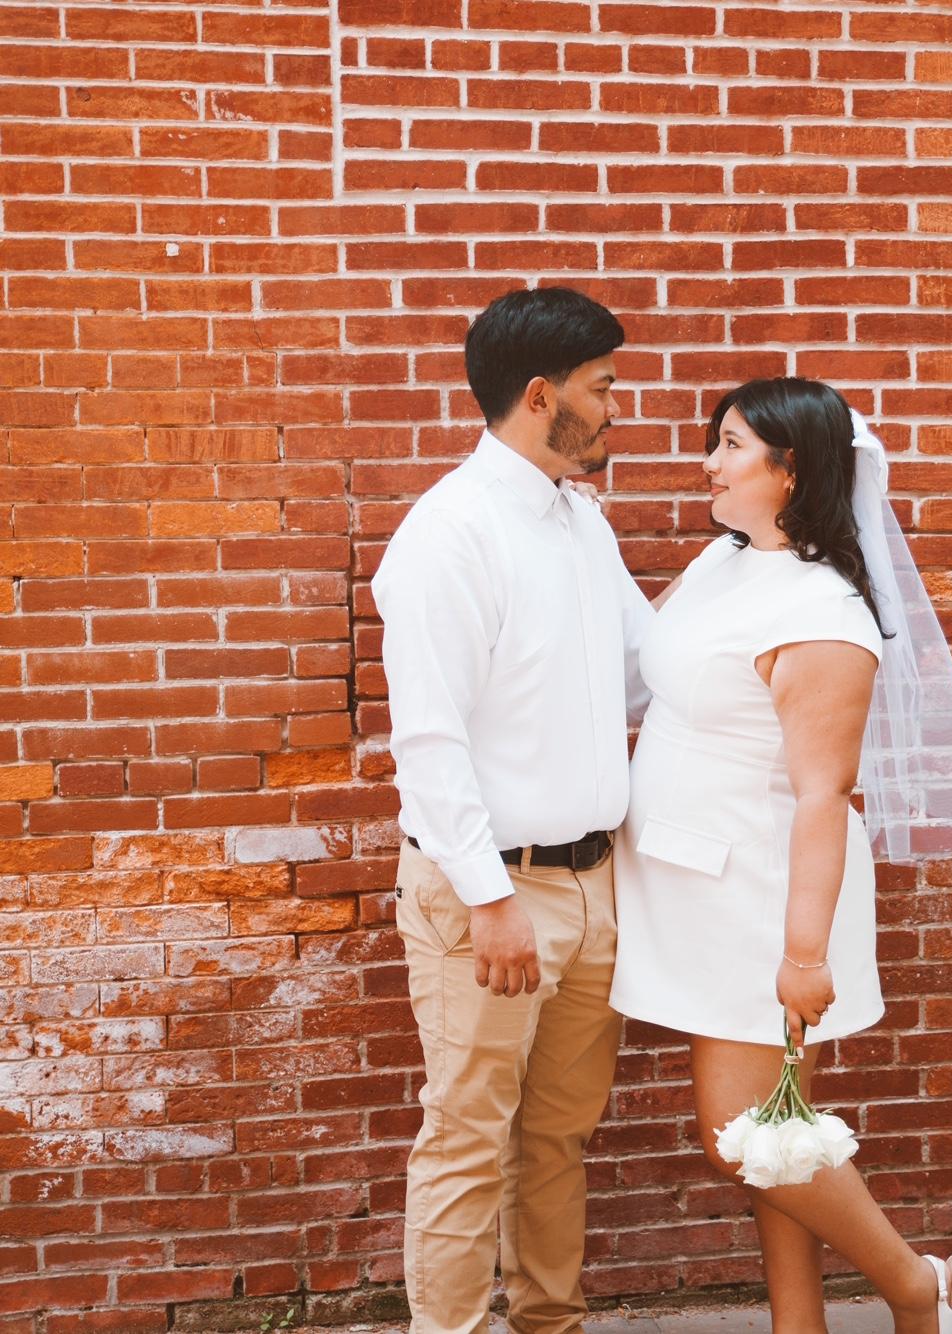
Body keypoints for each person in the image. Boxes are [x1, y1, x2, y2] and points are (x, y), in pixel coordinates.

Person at [610, 377, 952, 1334]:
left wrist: (803, 955)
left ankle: (918, 1286)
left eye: (731, 445)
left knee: (738, 1137)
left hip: (763, 902)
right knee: (774, 1135)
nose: (709, 462)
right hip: (689, 889)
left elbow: (824, 797)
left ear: (790, 472)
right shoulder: (724, 560)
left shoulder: (823, 615)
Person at [371, 286, 653, 1334]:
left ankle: (549, 1322)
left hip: (591, 885)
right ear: (542, 397)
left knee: (557, 1138)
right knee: (466, 1137)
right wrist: (489, 899)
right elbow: (429, 739)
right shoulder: (450, 534)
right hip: (492, 890)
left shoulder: (580, 519)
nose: (616, 408)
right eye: (603, 389)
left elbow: (643, 671)